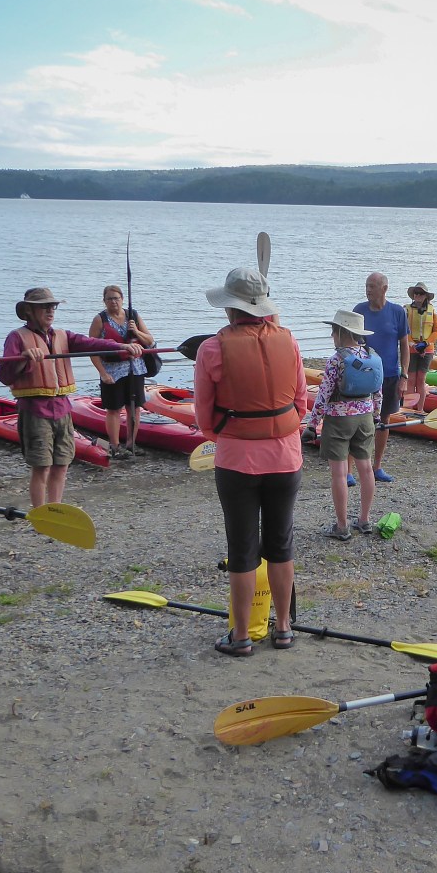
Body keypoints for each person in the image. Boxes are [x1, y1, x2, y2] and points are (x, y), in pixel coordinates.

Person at [194, 267, 307, 656]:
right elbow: (301, 404)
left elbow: (205, 421)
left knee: (242, 549)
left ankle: (241, 635)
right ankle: (285, 628)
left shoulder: (211, 349)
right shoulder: (289, 341)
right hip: (286, 457)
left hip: (237, 461)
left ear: (230, 308)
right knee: (281, 544)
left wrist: (233, 433)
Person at [0, 287, 142, 507]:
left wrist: (122, 346)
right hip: (35, 411)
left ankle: (55, 508)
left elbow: (92, 344)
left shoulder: (63, 336)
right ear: (29, 311)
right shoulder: (16, 338)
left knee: (62, 463)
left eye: (52, 306)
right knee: (42, 466)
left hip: (62, 409)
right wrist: (23, 358)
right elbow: (4, 375)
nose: (50, 311)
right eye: (44, 307)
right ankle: (40, 513)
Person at [304, 310, 383, 540]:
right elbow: (378, 391)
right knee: (366, 468)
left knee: (339, 473)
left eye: (333, 330)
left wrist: (313, 423)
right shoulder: (371, 355)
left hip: (338, 420)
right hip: (366, 417)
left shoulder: (336, 360)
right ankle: (365, 520)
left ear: (340, 332)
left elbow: (324, 394)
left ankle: (342, 526)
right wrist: (376, 416)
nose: (331, 335)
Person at [353, 272, 409, 484]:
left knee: (383, 420)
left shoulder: (397, 312)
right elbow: (349, 342)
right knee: (357, 420)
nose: (368, 290)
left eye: (372, 286)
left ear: (384, 289)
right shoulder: (359, 311)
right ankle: (349, 471)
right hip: (363, 375)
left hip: (390, 376)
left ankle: (376, 467)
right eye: (367, 286)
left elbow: (404, 346)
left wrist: (404, 374)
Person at [89, 284, 154, 459]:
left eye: (116, 298)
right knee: (114, 408)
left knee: (134, 408)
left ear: (122, 299)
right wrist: (102, 373)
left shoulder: (133, 315)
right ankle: (115, 446)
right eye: (109, 299)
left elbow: (149, 340)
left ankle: (131, 443)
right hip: (112, 371)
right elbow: (91, 349)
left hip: (135, 368)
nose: (113, 302)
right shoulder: (99, 320)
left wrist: (136, 331)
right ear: (104, 301)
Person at [404, 282, 437, 412]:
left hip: (427, 349)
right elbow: (403, 330)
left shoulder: (432, 311)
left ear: (426, 296)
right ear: (413, 295)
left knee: (421, 380)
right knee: (410, 380)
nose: (418, 295)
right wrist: (413, 345)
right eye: (416, 293)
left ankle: (420, 410)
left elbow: (436, 331)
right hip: (411, 349)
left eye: (421, 293)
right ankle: (408, 409)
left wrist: (426, 344)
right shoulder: (406, 310)